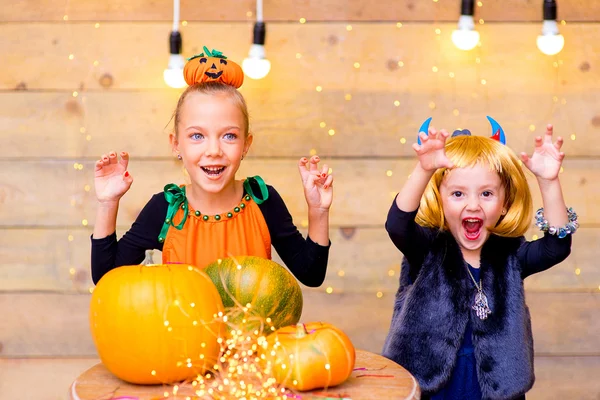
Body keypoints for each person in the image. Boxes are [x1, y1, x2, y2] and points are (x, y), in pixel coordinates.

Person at [90, 47, 333, 287]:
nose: (214, 150)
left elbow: (311, 274)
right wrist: (107, 203)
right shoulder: (165, 208)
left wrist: (318, 211)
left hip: (250, 328)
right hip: (184, 328)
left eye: (229, 136)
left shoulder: (263, 201)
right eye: (197, 136)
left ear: (246, 145)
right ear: (176, 145)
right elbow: (106, 279)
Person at [382, 117, 577, 400]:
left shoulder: (510, 254)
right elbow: (397, 225)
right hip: (430, 387)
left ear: (504, 203)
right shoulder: (426, 248)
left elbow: (556, 247)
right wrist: (424, 170)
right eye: (458, 193)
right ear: (440, 199)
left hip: (496, 390)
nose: (472, 204)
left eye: (486, 193)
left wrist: (548, 183)